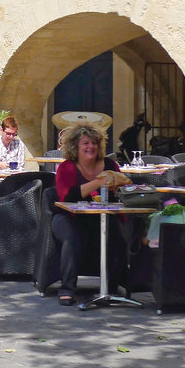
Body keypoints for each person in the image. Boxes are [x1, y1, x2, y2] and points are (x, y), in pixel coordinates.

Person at [51, 123, 130, 306]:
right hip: (68, 216)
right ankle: (67, 288)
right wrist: (99, 182)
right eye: (85, 143)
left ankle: (110, 288)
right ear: (75, 147)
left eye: (94, 143)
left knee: (117, 237)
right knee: (73, 238)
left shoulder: (110, 165)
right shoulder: (67, 168)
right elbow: (67, 196)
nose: (90, 147)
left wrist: (120, 187)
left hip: (101, 215)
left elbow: (122, 189)